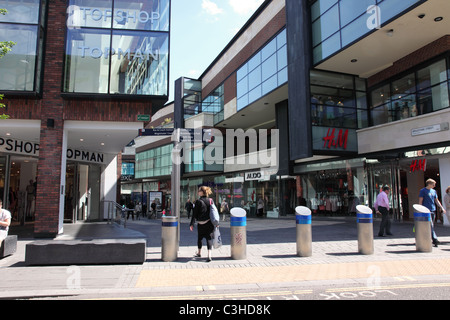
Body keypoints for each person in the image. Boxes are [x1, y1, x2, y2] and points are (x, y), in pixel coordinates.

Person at [190, 186, 215, 262]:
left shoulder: (198, 201)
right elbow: (214, 212)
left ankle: (199, 253)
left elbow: (194, 214)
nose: (198, 192)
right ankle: (209, 255)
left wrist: (192, 223)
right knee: (209, 238)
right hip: (209, 223)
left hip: (201, 223)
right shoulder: (210, 200)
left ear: (202, 192)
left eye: (199, 191)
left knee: (200, 238)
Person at [419, 179, 445, 247]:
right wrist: (420, 209)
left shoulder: (434, 191)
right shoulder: (423, 191)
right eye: (433, 184)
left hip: (433, 209)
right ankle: (435, 239)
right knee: (430, 225)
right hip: (426, 210)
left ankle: (428, 238)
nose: (434, 185)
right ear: (429, 184)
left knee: (431, 225)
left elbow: (436, 200)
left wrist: (441, 207)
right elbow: (420, 200)